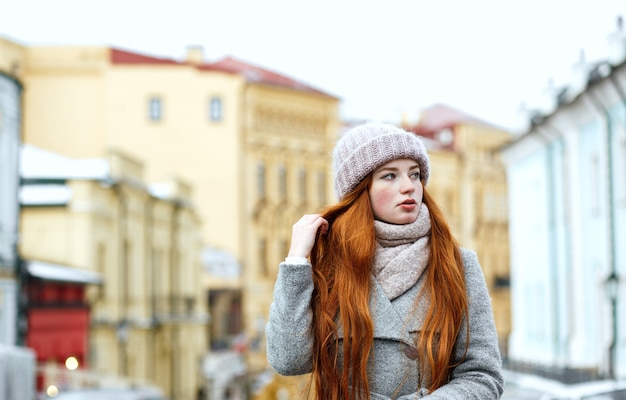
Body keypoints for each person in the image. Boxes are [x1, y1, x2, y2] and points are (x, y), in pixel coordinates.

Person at [266, 122, 504, 399]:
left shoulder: (456, 264)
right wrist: (296, 261)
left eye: (414, 175)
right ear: (360, 190)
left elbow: (483, 376)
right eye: (389, 176)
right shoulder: (330, 265)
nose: (409, 187)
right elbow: (289, 361)